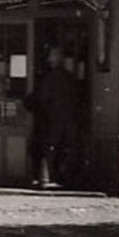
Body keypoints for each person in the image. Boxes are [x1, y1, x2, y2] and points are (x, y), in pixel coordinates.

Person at [29, 46, 80, 188]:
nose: (48, 59)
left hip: (52, 120)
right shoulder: (70, 77)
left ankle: (46, 178)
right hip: (68, 120)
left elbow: (41, 99)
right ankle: (63, 179)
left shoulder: (49, 78)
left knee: (48, 148)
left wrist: (29, 103)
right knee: (65, 149)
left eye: (51, 56)